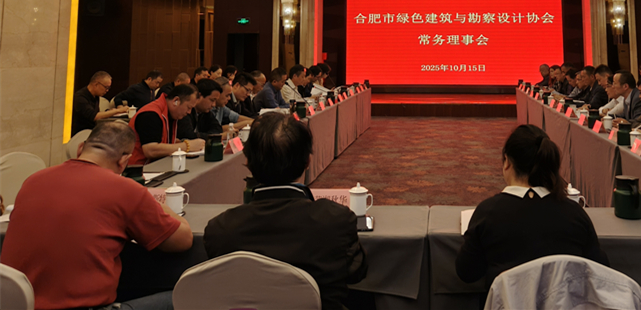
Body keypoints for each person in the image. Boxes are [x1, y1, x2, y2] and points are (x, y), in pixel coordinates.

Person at [0, 121, 193, 310]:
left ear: (80, 148)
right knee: (187, 294)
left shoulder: (33, 180)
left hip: (14, 304)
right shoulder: (125, 190)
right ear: (124, 161)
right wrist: (155, 202)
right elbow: (182, 240)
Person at [204, 113, 367, 310]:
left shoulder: (219, 230)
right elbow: (357, 273)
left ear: (247, 163)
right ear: (307, 162)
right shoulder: (335, 220)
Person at [456, 124, 607, 290]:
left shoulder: (488, 212)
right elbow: (600, 269)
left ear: (507, 162)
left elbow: (467, 272)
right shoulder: (575, 213)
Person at [129, 84, 203, 164]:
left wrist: (180, 142)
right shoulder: (150, 114)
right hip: (138, 168)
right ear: (176, 101)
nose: (189, 112)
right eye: (188, 107)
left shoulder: (170, 114)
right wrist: (187, 146)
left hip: (156, 165)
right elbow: (150, 150)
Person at [72, 71, 129, 136]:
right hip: (81, 134)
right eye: (106, 87)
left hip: (93, 130)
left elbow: (95, 113)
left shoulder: (95, 96)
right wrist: (118, 110)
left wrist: (110, 112)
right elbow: (94, 116)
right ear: (96, 84)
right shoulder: (80, 97)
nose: (107, 90)